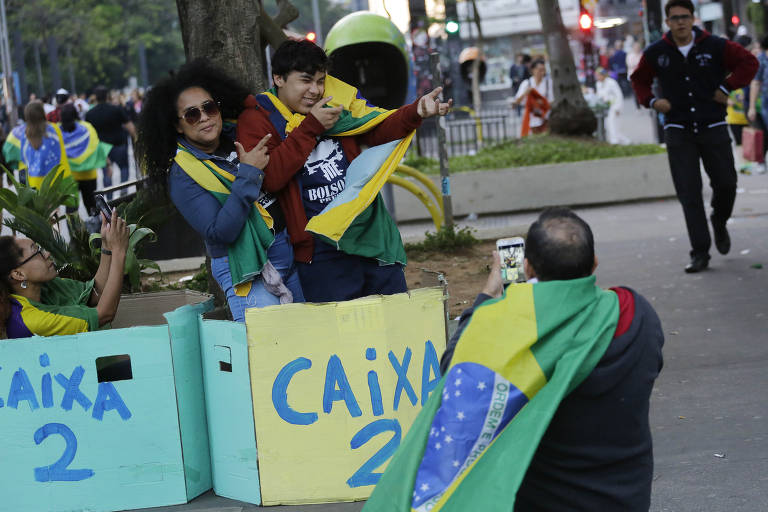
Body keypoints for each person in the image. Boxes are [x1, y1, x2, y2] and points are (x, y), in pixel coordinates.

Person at [439, 207, 664, 511]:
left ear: (528, 269)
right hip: (624, 500)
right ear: (594, 264)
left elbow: (455, 370)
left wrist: (490, 293)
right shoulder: (636, 314)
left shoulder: (512, 333)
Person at [236, 39, 451, 303]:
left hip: (368, 233)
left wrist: (415, 111)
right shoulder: (258, 118)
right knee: (343, 334)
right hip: (320, 248)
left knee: (394, 322)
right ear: (278, 78)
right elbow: (272, 178)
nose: (315, 90)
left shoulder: (334, 104)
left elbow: (374, 129)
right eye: (306, 81)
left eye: (320, 80)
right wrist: (311, 126)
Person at [136, 59, 303, 321]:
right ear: (178, 125)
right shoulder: (181, 174)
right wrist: (248, 174)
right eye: (192, 114)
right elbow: (220, 232)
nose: (204, 117)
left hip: (287, 255)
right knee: (270, 353)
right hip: (247, 271)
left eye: (209, 107)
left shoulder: (239, 135)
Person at [631, 0, 758, 273]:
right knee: (689, 193)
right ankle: (700, 252)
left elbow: (749, 62)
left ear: (693, 18)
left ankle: (719, 220)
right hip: (679, 130)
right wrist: (652, 101)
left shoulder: (715, 45)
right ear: (667, 22)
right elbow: (638, 80)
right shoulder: (657, 52)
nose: (680, 22)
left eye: (685, 17)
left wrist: (727, 86)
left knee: (727, 183)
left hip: (712, 125)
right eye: (675, 18)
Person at [0, 210, 129, 339]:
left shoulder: (46, 287)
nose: (47, 254)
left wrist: (107, 246)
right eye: (37, 251)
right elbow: (104, 314)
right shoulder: (32, 320)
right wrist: (119, 251)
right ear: (18, 274)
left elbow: (95, 294)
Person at [59, 103, 112, 216]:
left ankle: (75, 232)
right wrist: (108, 164)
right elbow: (96, 146)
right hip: (88, 175)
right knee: (92, 206)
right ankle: (95, 231)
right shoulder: (87, 127)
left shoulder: (57, 131)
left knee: (71, 209)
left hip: (69, 177)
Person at [2, 102, 71, 188]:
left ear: (26, 116)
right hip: (59, 179)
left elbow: (9, 153)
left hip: (34, 183)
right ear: (43, 113)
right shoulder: (54, 129)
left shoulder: (22, 135)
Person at [86, 85, 136, 198]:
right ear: (107, 96)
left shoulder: (90, 114)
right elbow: (130, 127)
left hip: (102, 148)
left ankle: (109, 200)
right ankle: (124, 196)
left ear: (95, 97)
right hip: (119, 145)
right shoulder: (117, 109)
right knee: (124, 169)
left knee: (106, 174)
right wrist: (136, 139)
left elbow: (90, 135)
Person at [511, 58, 553, 136]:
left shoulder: (548, 83)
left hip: (545, 117)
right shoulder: (527, 83)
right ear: (533, 70)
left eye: (543, 70)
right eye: (539, 70)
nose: (542, 72)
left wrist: (542, 103)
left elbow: (551, 100)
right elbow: (517, 101)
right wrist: (525, 93)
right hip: (531, 118)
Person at [595, 67, 629, 145]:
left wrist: (618, 108)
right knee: (608, 125)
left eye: (599, 75)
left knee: (613, 124)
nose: (597, 77)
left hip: (614, 106)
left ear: (603, 75)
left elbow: (619, 95)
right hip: (605, 107)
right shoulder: (598, 84)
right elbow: (600, 95)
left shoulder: (611, 82)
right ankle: (624, 141)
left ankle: (615, 142)